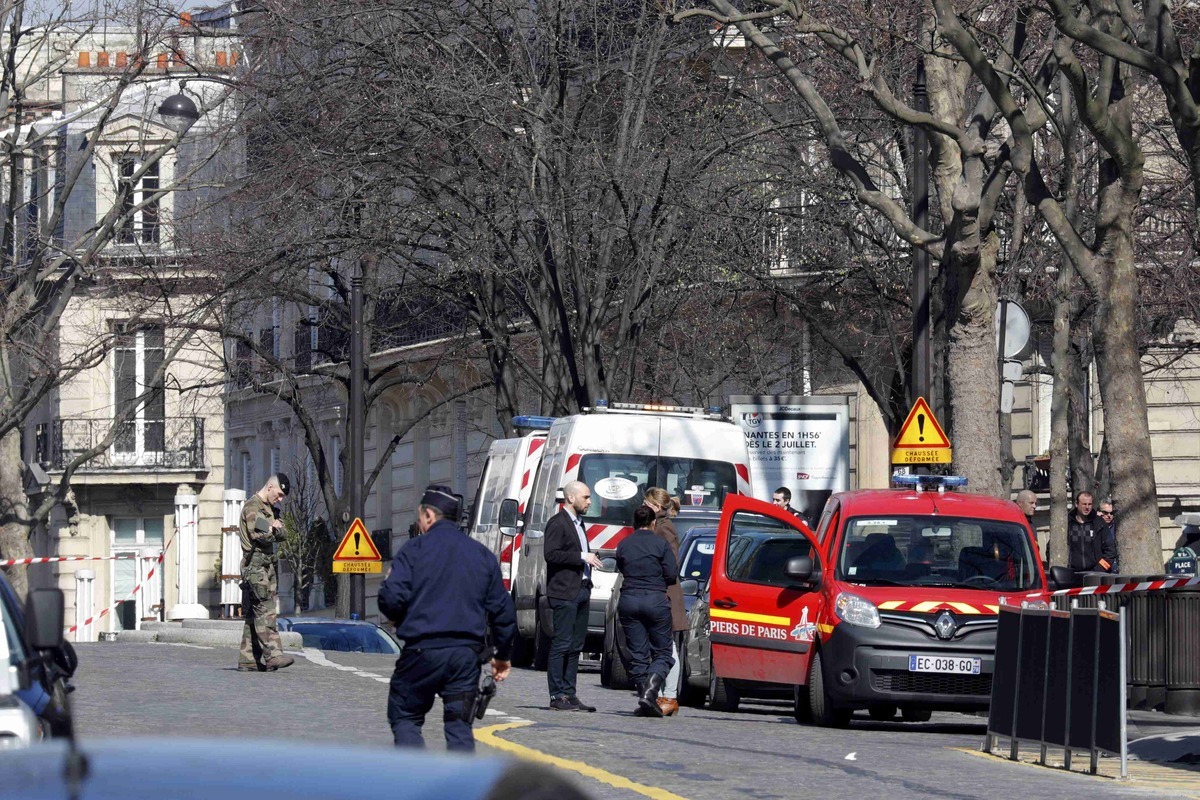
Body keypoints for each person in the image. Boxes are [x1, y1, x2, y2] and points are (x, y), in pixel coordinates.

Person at [378, 485, 515, 752]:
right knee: (459, 725)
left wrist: (398, 619)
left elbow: (391, 598)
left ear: (429, 515)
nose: (419, 522)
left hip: (421, 651)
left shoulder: (413, 550)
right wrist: (503, 656)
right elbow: (503, 611)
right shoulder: (482, 555)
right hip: (466, 656)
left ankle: (415, 781)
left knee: (405, 716)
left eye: (420, 516)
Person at [544, 480, 605, 712]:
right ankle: (556, 695)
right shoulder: (558, 523)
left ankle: (570, 694)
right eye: (586, 497)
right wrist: (582, 556)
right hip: (564, 592)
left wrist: (589, 559)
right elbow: (551, 554)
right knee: (561, 643)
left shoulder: (580, 523)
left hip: (581, 590)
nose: (590, 501)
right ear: (571, 498)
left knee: (576, 645)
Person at [616, 504, 678, 717]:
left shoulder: (624, 544)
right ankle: (650, 693)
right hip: (655, 599)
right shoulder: (660, 544)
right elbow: (671, 574)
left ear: (634, 523)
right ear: (653, 523)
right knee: (663, 652)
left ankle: (646, 697)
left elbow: (621, 568)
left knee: (638, 654)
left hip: (629, 599)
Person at [238, 473, 295, 673]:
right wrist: (273, 529)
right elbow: (261, 535)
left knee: (255, 613)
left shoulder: (270, 510)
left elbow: (284, 532)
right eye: (278, 494)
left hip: (267, 566)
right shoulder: (253, 507)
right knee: (265, 610)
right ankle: (273, 655)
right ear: (270, 486)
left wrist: (274, 529)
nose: (279, 499)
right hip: (255, 566)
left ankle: (248, 659)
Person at [642, 487, 686, 716]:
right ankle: (659, 695)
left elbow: (671, 564)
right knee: (660, 647)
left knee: (668, 648)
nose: (642, 506)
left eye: (646, 503)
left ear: (656, 507)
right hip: (658, 593)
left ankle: (670, 696)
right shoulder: (655, 526)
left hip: (666, 594)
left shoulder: (664, 527)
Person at [1066, 490, 1115, 575]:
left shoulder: (1099, 524)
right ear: (1076, 504)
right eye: (1084, 504)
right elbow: (1052, 547)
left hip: (1095, 576)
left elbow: (1110, 551)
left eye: (1090, 504)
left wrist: (1099, 570)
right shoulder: (1067, 523)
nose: (1087, 507)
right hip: (1071, 575)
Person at [1098, 500, 1119, 574]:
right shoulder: (1094, 527)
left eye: (1111, 513)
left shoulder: (1118, 527)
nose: (1109, 515)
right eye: (1105, 513)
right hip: (1099, 569)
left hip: (1115, 567)